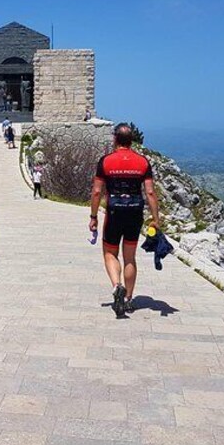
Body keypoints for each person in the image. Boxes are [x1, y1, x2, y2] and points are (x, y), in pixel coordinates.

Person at [89, 123, 161, 318]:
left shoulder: (106, 161)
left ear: (115, 139)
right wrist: (156, 219)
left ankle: (117, 286)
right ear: (131, 140)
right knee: (130, 257)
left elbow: (97, 191)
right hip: (135, 212)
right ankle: (129, 299)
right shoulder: (142, 162)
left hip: (114, 212)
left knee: (110, 253)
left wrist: (93, 216)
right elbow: (150, 192)